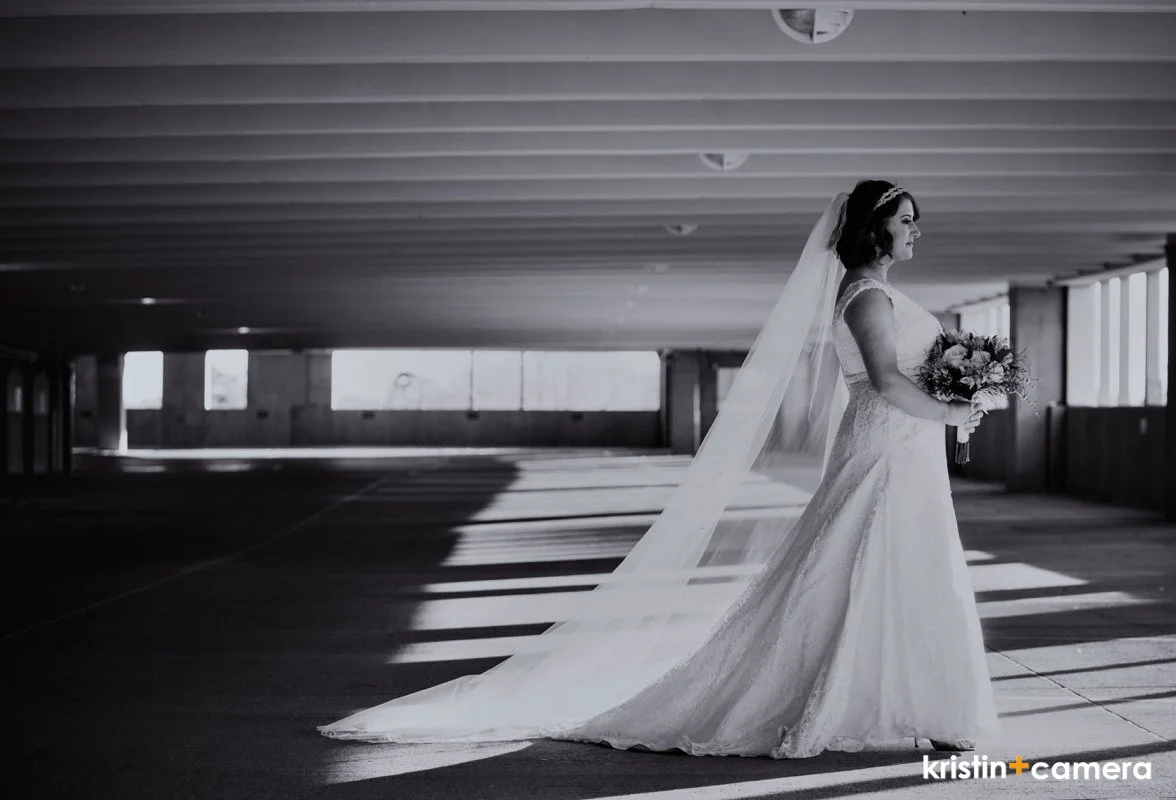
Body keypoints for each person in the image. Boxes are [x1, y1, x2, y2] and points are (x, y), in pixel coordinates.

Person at [319, 179, 1000, 759]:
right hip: (886, 443)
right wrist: (950, 412)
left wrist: (956, 397)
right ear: (874, 229)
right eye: (905, 221)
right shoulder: (868, 297)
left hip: (905, 447)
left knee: (904, 559)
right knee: (869, 556)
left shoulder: (873, 292)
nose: (916, 232)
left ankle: (913, 701)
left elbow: (905, 378)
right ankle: (857, 698)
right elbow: (884, 380)